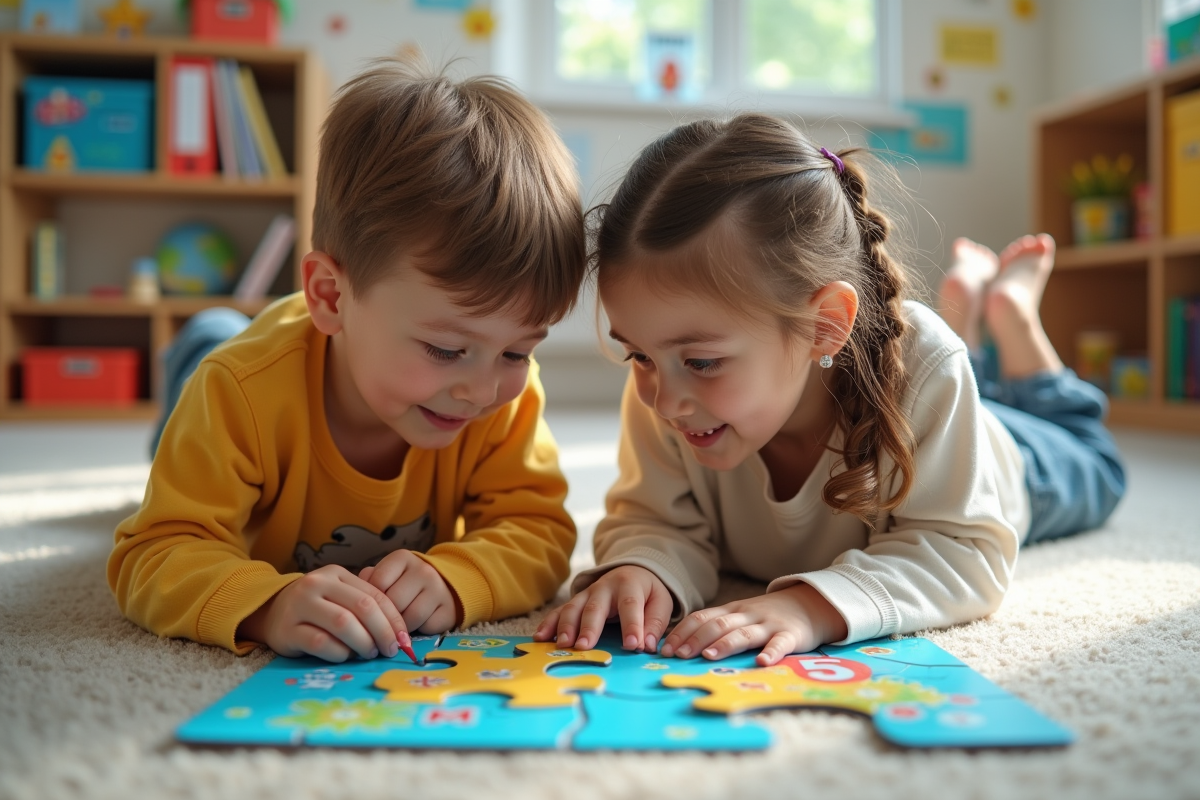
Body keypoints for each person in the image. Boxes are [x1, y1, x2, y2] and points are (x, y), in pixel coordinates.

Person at [536, 114, 1125, 666]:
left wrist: (811, 607)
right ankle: (974, 314)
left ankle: (1013, 318)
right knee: (966, 371)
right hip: (936, 391)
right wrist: (646, 567)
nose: (663, 399)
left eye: (703, 361)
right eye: (638, 354)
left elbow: (962, 550)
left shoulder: (926, 366)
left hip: (1012, 460)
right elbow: (654, 519)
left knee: (1095, 459)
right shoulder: (672, 394)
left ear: (824, 325)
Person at [108, 60, 586, 663]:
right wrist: (265, 602)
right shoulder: (239, 388)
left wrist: (457, 578)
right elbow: (152, 551)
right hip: (227, 379)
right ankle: (204, 336)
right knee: (209, 362)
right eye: (445, 349)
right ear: (331, 297)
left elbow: (540, 531)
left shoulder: (501, 388)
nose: (482, 389)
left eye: (519, 350)